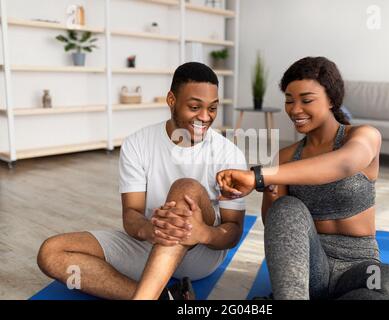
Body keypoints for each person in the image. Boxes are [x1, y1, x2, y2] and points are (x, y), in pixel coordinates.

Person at [216, 57, 389, 300]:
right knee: (287, 207)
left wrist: (258, 175)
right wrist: (269, 185)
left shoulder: (364, 136)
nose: (295, 109)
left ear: (331, 99)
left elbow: (345, 162)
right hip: (309, 270)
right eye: (289, 100)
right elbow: (276, 224)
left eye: (306, 100)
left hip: (360, 269)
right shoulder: (285, 158)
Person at [37, 62, 247, 300]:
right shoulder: (137, 143)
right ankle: (166, 298)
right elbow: (132, 215)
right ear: (171, 100)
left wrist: (203, 234)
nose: (205, 117)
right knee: (51, 252)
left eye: (212, 108)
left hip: (201, 253)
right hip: (149, 243)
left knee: (185, 187)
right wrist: (152, 229)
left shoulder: (229, 154)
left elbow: (233, 231)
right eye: (194, 107)